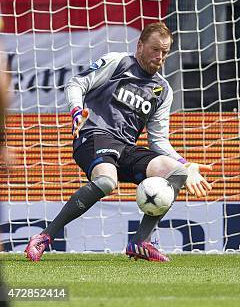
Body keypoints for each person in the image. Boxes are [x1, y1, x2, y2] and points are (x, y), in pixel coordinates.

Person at [24, 22, 212, 262]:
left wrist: (185, 164)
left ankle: (140, 242)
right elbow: (76, 83)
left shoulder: (163, 90)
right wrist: (75, 110)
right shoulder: (118, 62)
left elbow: (158, 140)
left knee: (175, 173)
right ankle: (44, 237)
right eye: (155, 50)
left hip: (124, 148)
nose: (160, 57)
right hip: (94, 134)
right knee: (106, 181)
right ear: (140, 46)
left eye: (164, 52)